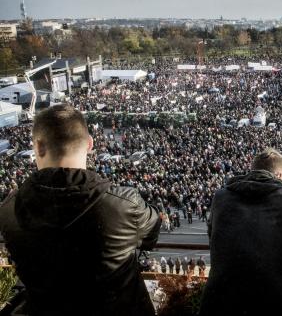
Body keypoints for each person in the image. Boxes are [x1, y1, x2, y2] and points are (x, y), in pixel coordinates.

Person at [0, 104, 161, 316]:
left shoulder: (9, 209)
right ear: (90, 144)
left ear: (38, 147)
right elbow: (151, 234)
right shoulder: (123, 204)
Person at [200, 148, 282, 316]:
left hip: (217, 303)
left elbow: (213, 237)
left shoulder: (221, 197)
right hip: (269, 303)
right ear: (279, 176)